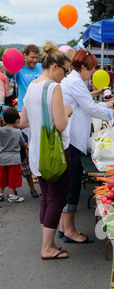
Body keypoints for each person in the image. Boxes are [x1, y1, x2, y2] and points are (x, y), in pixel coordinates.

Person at [58, 49, 114, 244]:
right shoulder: (75, 82)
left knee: (69, 184)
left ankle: (64, 228)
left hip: (71, 137)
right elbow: (89, 108)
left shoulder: (74, 81)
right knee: (71, 185)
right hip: (71, 138)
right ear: (82, 67)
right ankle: (69, 230)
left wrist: (109, 105)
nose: (93, 72)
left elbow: (86, 104)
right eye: (92, 68)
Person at [20, 41, 73, 260]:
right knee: (57, 199)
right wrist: (67, 111)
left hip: (36, 152)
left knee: (46, 198)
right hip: (54, 153)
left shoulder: (32, 87)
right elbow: (60, 125)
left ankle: (47, 241)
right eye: (65, 70)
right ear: (54, 67)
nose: (66, 75)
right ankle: (48, 247)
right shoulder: (54, 87)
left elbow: (23, 121)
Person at [14, 44, 43, 198]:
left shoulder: (40, 67)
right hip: (23, 111)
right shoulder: (18, 69)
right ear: (24, 55)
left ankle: (37, 170)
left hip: (39, 110)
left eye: (37, 57)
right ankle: (33, 172)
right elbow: (7, 72)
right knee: (28, 144)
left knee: (38, 142)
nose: (34, 60)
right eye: (32, 57)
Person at [0, 107, 27, 203]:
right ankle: (12, 195)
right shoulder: (17, 132)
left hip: (2, 158)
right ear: (16, 120)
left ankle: (0, 194)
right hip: (14, 159)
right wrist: (26, 145)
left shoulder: (1, 130)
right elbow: (23, 144)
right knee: (13, 177)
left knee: (2, 177)